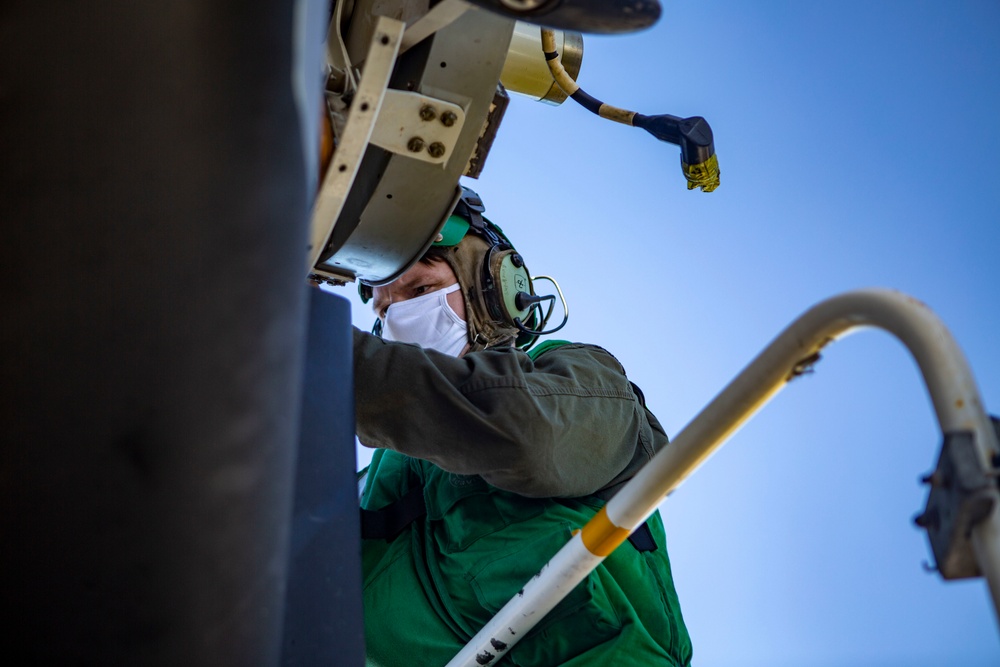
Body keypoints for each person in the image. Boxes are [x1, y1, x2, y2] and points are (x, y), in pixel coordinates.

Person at [353, 187, 692, 666]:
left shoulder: (576, 377)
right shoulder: (381, 474)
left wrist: (324, 358)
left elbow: (526, 433)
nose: (400, 321)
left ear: (492, 291)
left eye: (422, 291)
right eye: (384, 312)